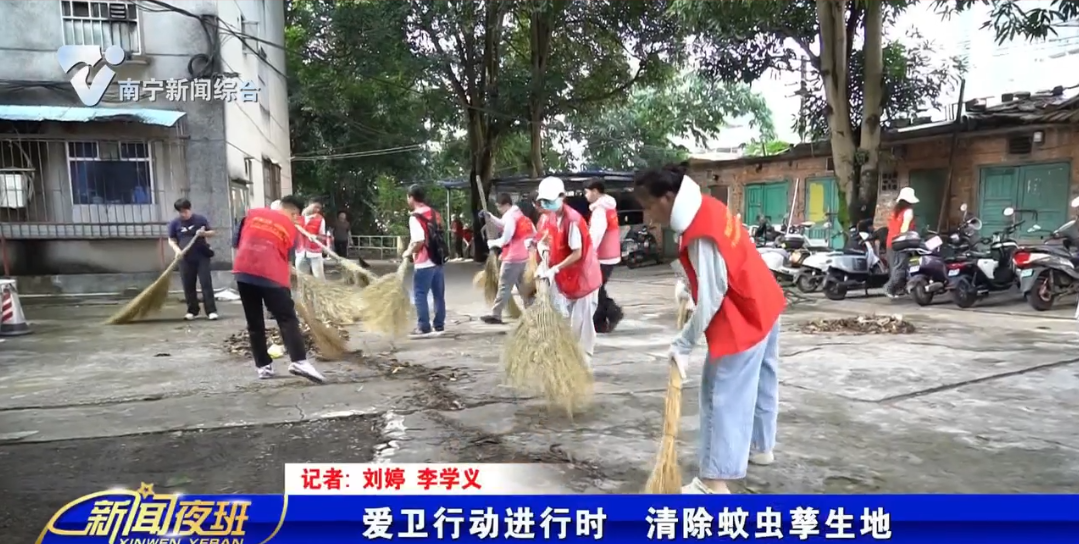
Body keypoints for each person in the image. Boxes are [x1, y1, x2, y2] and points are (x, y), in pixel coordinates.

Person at [632, 164, 785, 495]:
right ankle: (761, 447)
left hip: (743, 314)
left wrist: (685, 342)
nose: (648, 215)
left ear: (668, 198)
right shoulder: (710, 206)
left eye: (648, 206)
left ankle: (714, 482)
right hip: (765, 298)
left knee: (720, 393)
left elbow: (715, 293)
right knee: (761, 381)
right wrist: (689, 285)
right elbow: (720, 265)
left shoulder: (699, 229)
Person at [232, 195, 325, 384]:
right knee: (287, 318)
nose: (296, 220)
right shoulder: (290, 227)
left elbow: (236, 242)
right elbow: (286, 259)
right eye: (296, 217)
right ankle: (298, 360)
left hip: (243, 271)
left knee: (254, 322)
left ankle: (263, 367)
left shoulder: (251, 215)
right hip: (270, 274)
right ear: (293, 213)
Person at [533, 176, 603, 367]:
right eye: (544, 201)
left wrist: (555, 268)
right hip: (566, 277)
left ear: (562, 196)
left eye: (550, 200)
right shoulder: (551, 217)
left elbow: (577, 253)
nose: (546, 204)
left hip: (583, 278)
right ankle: (567, 359)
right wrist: (543, 249)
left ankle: (584, 363)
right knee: (566, 321)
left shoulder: (572, 220)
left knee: (583, 324)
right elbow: (548, 239)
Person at [480, 193, 537, 324]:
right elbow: (503, 224)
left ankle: (496, 314)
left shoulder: (511, 217)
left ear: (506, 205)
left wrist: (493, 243)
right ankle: (533, 311)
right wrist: (490, 216)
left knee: (504, 286)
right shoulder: (519, 215)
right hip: (524, 256)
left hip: (512, 257)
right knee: (524, 287)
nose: (499, 209)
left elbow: (506, 237)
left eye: (499, 207)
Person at [403, 185, 448, 337]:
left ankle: (424, 326)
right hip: (438, 258)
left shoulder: (415, 217)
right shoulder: (434, 213)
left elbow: (419, 241)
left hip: (424, 261)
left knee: (420, 294)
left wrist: (408, 253)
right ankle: (439, 324)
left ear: (411, 197)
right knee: (438, 294)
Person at [168, 198, 218, 321]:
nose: (183, 214)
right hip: (185, 258)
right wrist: (177, 250)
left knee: (206, 283)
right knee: (188, 284)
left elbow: (212, 232)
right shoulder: (175, 223)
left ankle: (211, 311)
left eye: (185, 211)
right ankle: (192, 310)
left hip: (202, 256)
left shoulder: (200, 219)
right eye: (181, 212)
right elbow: (171, 239)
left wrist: (203, 234)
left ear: (190, 209)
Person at [584, 180, 624, 333]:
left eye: (587, 192)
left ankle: (608, 315)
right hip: (610, 255)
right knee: (597, 288)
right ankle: (607, 316)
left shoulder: (600, 210)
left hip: (602, 256)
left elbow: (596, 235)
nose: (585, 196)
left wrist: (588, 253)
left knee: (594, 288)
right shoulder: (609, 207)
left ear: (595, 191)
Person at [884, 187, 919, 298]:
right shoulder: (908, 212)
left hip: (890, 242)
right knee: (900, 268)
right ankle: (889, 288)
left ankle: (897, 290)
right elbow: (904, 229)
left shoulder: (895, 211)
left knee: (894, 268)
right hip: (901, 243)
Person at [295, 200, 329, 279]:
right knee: (302, 279)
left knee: (319, 279)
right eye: (316, 207)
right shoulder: (297, 218)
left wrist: (316, 237)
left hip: (315, 254)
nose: (317, 210)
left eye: (319, 208)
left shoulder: (320, 220)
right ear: (309, 205)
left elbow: (323, 237)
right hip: (300, 253)